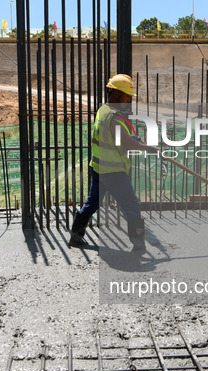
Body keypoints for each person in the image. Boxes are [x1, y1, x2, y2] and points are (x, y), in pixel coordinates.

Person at [69, 74, 157, 252]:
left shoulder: (103, 111)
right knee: (132, 205)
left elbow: (113, 138)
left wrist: (130, 138)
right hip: (113, 172)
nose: (128, 100)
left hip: (98, 168)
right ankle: (138, 244)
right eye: (126, 95)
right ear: (116, 94)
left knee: (92, 203)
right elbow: (127, 143)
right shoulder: (115, 118)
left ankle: (75, 236)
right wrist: (147, 147)